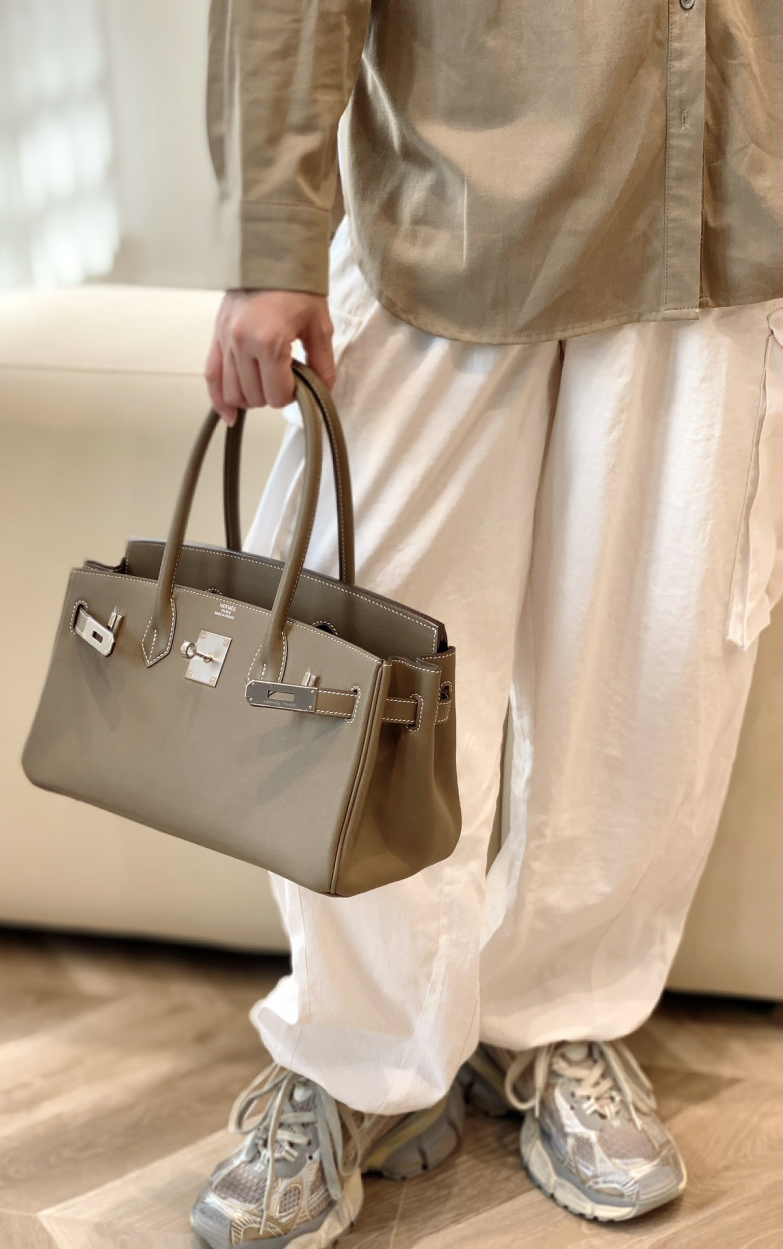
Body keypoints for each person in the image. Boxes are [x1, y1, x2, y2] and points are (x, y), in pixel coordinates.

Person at [192, 3, 783, 1245]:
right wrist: (271, 241)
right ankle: (355, 1051)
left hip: (725, 205)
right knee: (355, 668)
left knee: (654, 676)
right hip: (455, 206)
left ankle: (563, 1015)